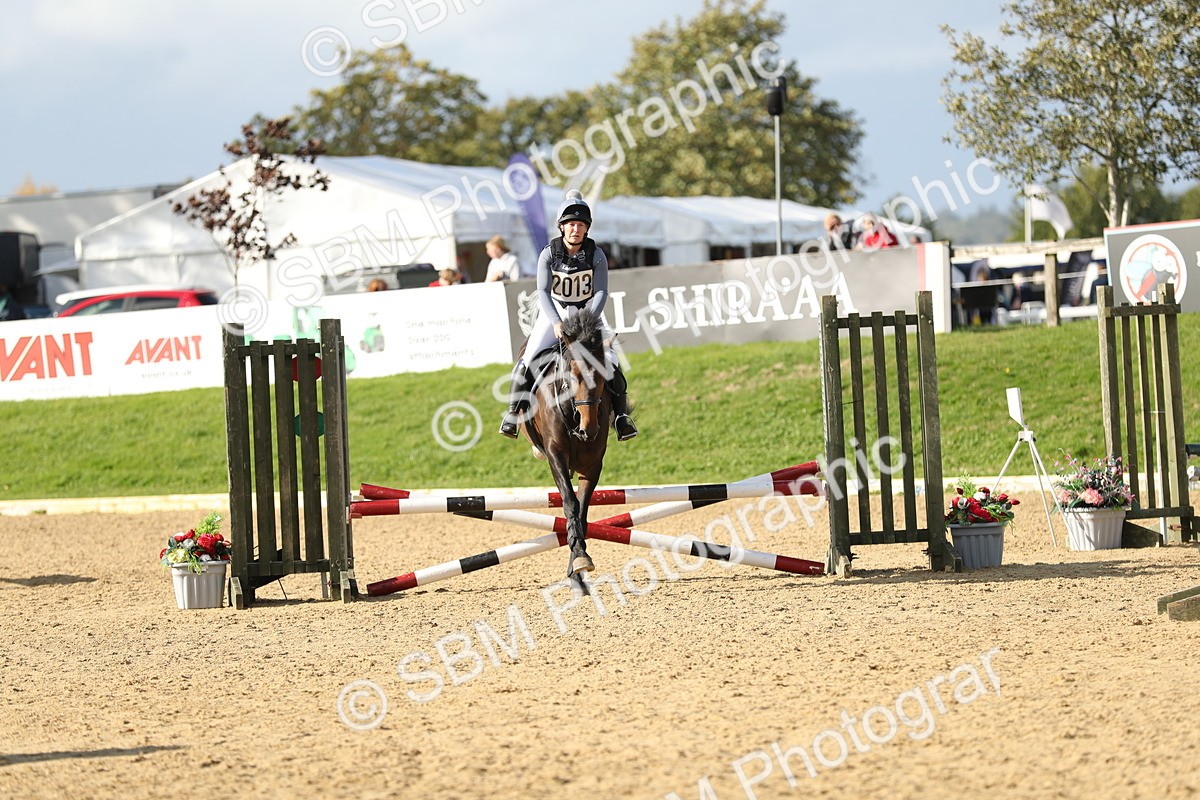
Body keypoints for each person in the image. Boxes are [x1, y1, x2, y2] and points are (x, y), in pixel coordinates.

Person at [499, 190, 637, 442]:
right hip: (556, 312)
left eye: (581, 225)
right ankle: (511, 415)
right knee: (526, 359)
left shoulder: (596, 255)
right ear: (562, 227)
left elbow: (602, 291)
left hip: (588, 312)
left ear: (587, 229)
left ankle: (621, 418)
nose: (576, 229)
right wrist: (555, 322)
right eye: (571, 224)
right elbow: (542, 291)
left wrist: (589, 322)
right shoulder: (549, 254)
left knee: (613, 361)